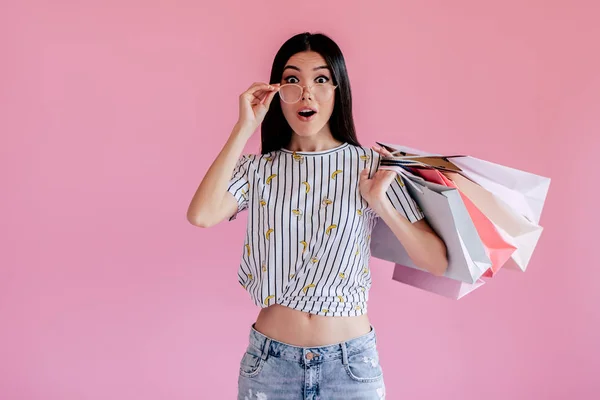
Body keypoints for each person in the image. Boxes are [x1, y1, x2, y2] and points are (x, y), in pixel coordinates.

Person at [186, 32, 448, 400]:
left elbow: (436, 262)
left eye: (321, 79)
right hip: (270, 367)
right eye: (292, 80)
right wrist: (244, 127)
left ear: (338, 90)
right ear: (278, 93)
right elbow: (201, 214)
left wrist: (382, 205)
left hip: (350, 367)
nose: (306, 93)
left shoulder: (371, 167)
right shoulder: (257, 170)